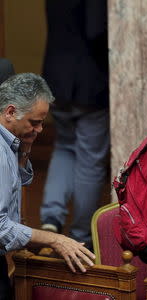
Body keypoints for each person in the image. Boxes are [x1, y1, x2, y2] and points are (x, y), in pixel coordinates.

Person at [0, 73, 96, 299]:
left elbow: (20, 181)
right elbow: (1, 227)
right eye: (34, 122)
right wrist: (55, 239)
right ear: (11, 112)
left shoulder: (10, 142)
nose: (41, 129)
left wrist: (24, 147)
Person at [40, 0, 109, 249]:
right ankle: (82, 234)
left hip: (56, 75)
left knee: (64, 147)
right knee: (90, 160)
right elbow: (95, 30)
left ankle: (51, 217)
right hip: (89, 79)